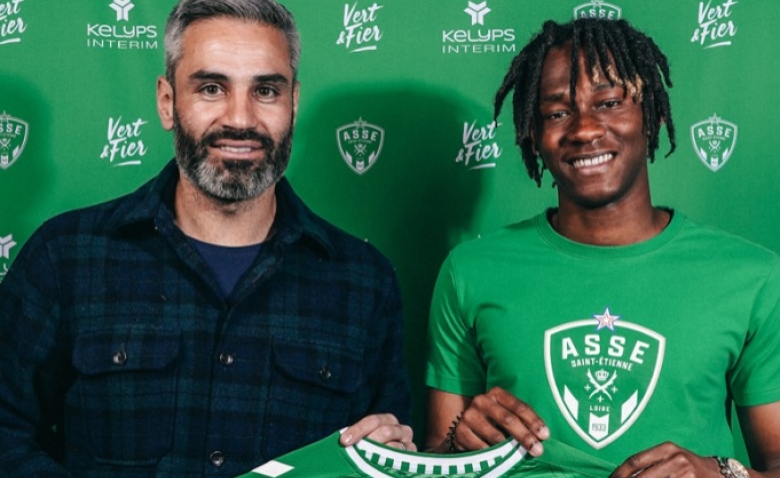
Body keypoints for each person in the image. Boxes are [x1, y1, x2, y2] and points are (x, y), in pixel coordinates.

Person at [0, 0, 414, 476]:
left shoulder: (364, 282)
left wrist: (390, 455)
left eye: (266, 90)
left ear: (294, 103)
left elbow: (384, 450)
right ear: (167, 102)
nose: (240, 119)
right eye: (212, 88)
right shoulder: (65, 257)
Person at [425, 16, 780, 478]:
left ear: (650, 114)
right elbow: (435, 457)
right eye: (557, 113)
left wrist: (719, 472)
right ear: (532, 133)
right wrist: (457, 443)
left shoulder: (751, 277)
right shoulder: (470, 272)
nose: (585, 129)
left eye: (609, 103)